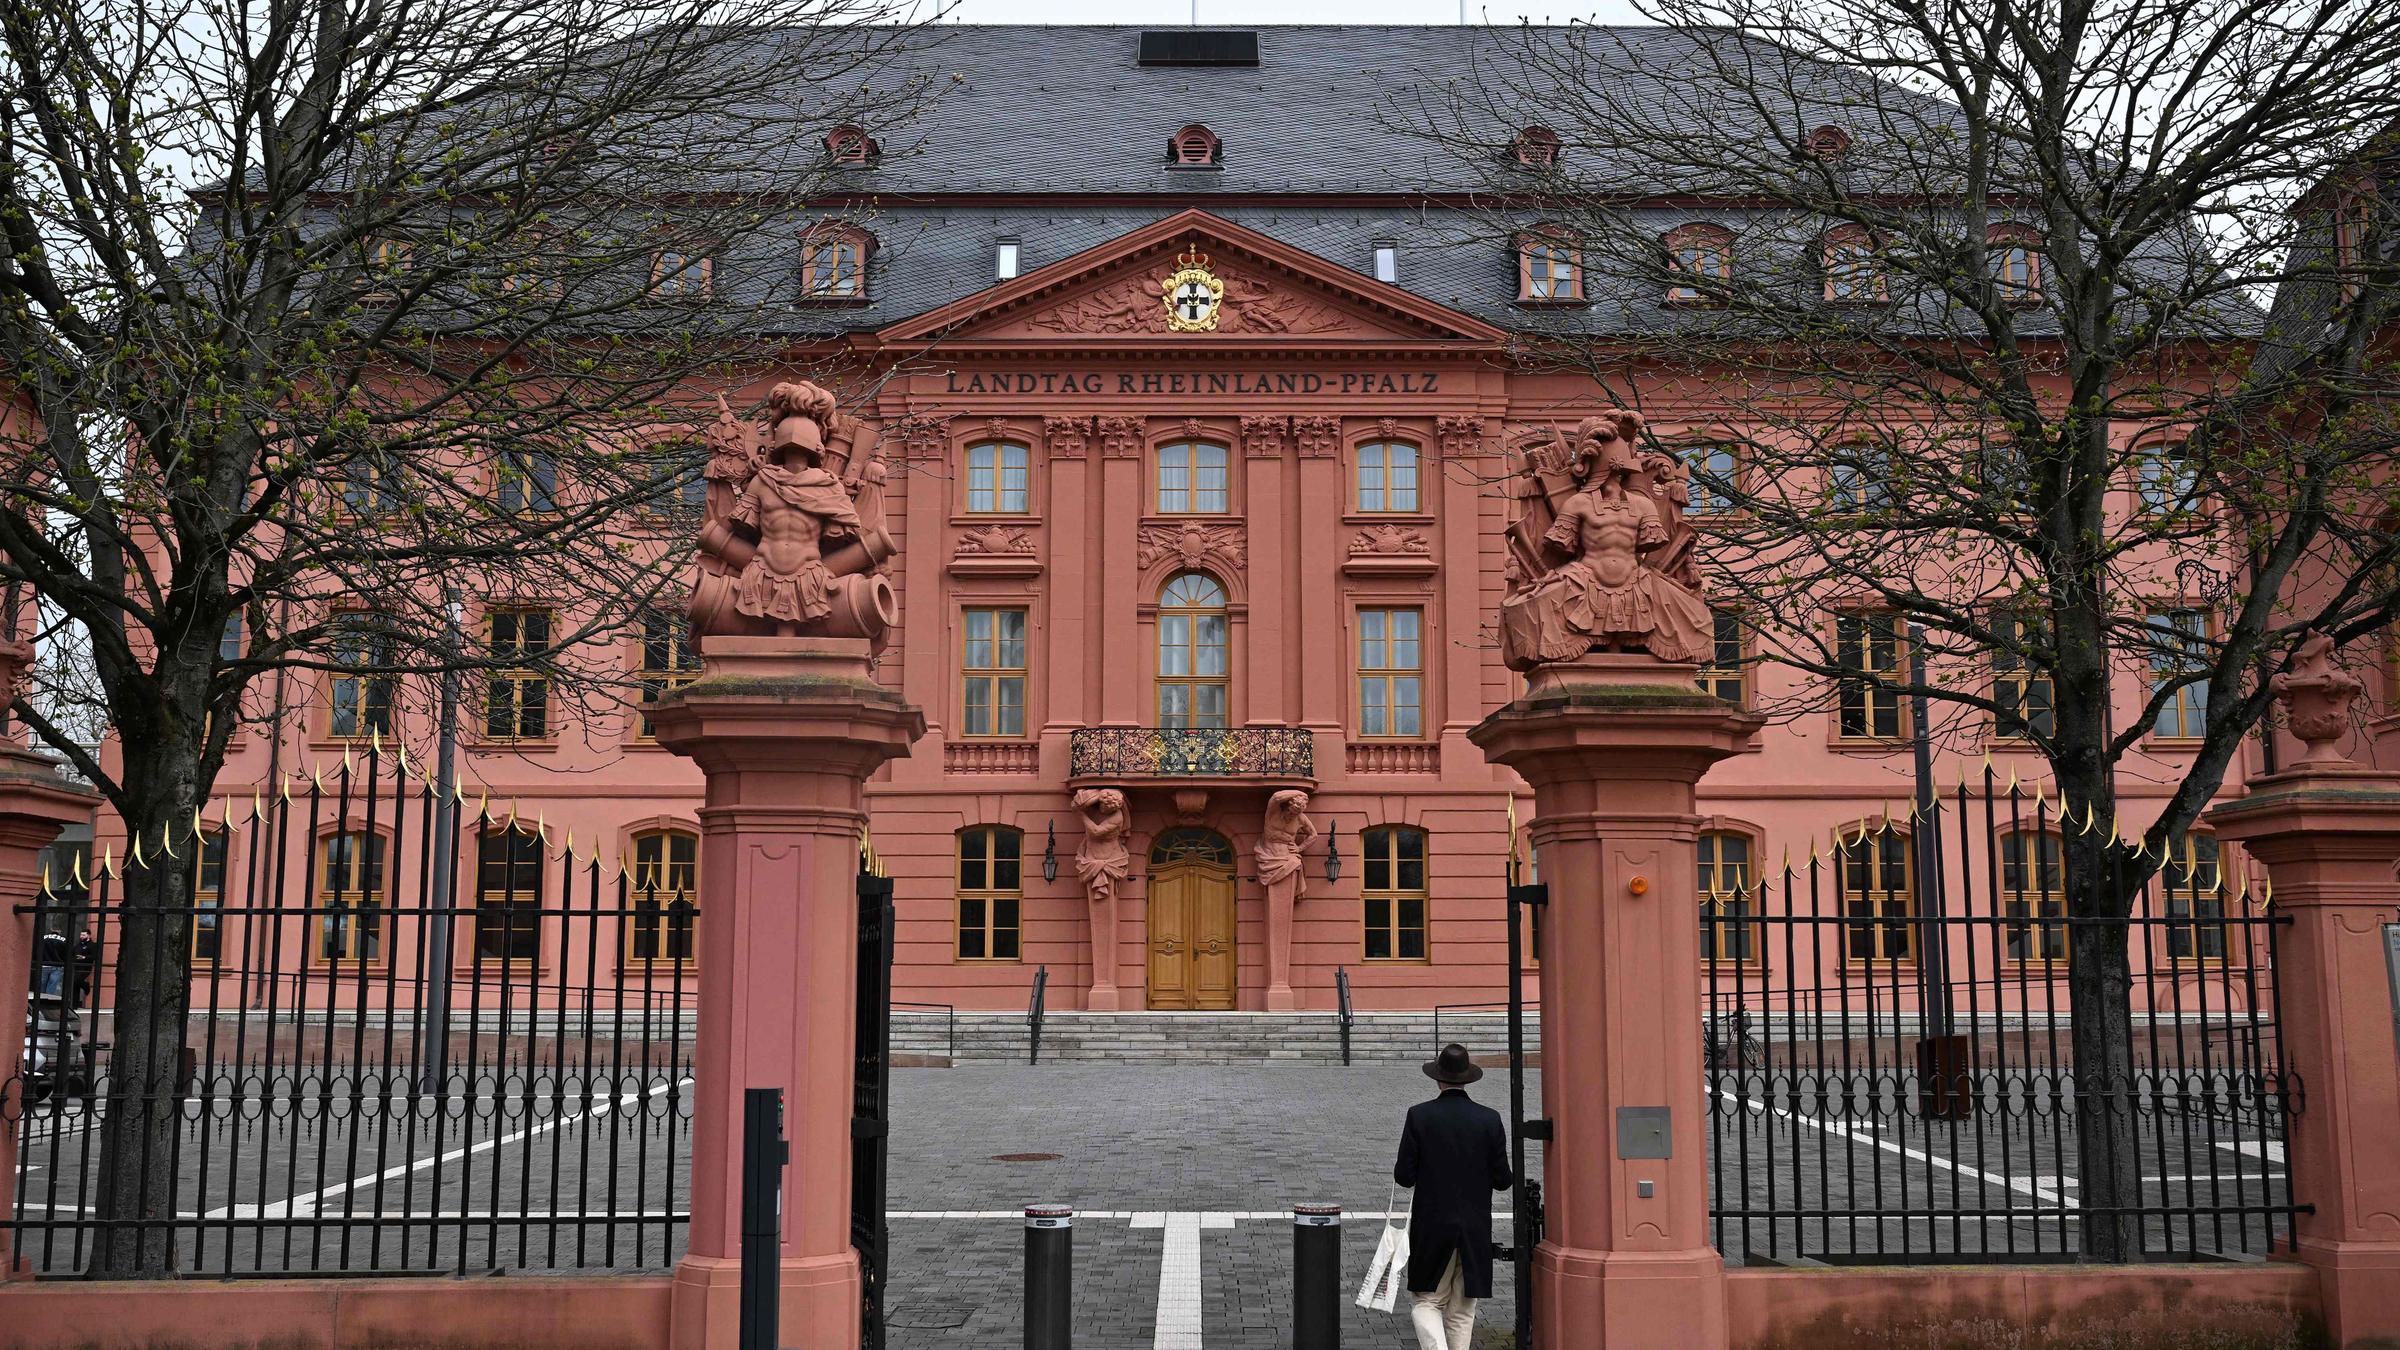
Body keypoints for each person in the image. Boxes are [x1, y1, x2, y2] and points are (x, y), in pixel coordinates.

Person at [1393, 1042, 1513, 1350]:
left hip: (1433, 1225)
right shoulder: (1489, 1119)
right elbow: (1503, 1181)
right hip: (1474, 1227)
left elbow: (1404, 1177)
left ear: (1438, 1078)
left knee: (1426, 1301)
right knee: (1462, 1309)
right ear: (1467, 1078)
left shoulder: (1420, 1116)